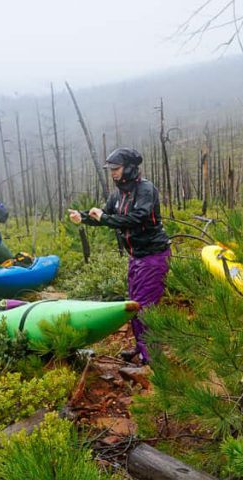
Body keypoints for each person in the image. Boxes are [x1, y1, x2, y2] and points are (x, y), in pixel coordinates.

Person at [68, 147, 171, 365]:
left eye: (116, 168)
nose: (113, 173)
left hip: (153, 255)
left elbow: (138, 218)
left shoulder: (145, 189)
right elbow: (105, 214)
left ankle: (152, 359)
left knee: (144, 307)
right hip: (136, 256)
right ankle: (141, 347)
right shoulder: (118, 194)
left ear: (129, 168)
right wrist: (83, 217)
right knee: (135, 305)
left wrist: (104, 218)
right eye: (111, 169)